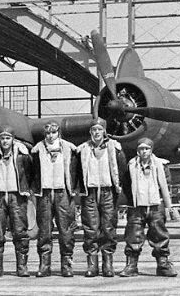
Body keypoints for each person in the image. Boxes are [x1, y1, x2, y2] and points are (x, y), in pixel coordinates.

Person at [119, 137, 177, 277]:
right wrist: (133, 201)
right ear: (137, 150)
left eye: (146, 148)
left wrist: (166, 204)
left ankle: (163, 264)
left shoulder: (161, 165)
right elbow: (126, 184)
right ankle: (131, 264)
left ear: (151, 150)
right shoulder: (131, 165)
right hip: (137, 206)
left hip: (156, 205)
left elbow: (166, 184)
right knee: (133, 236)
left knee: (159, 235)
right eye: (141, 148)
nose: (143, 151)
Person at [75, 118, 126, 278]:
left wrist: (118, 187)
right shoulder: (82, 149)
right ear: (90, 132)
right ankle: (92, 264)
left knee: (108, 227)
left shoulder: (115, 148)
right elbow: (76, 171)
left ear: (104, 131)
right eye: (93, 130)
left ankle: (108, 264)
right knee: (90, 228)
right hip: (89, 192)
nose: (96, 132)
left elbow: (122, 167)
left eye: (99, 129)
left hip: (107, 191)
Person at [30, 120, 78, 277]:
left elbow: (77, 171)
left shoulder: (70, 149)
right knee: (44, 230)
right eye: (48, 133)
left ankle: (66, 264)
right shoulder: (37, 150)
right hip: (44, 193)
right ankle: (45, 264)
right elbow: (32, 172)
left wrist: (74, 189)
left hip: (63, 192)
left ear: (59, 133)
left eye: (53, 133)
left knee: (66, 230)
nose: (50, 136)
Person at [0, 125, 32, 278]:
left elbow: (30, 172)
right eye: (2, 138)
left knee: (20, 231)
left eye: (8, 138)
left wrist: (25, 190)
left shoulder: (23, 154)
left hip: (16, 195)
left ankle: (22, 266)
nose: (5, 141)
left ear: (13, 139)